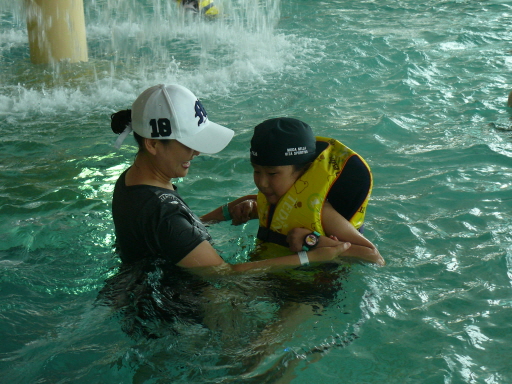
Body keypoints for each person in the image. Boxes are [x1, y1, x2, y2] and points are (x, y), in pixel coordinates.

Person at [109, 84, 352, 272]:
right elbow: (226, 274)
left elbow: (169, 236)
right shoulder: (163, 213)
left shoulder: (132, 181)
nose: (196, 151)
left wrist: (220, 215)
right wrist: (309, 257)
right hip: (175, 315)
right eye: (189, 144)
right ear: (152, 144)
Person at [229, 117, 385, 266]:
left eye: (272, 174)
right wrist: (251, 207)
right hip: (271, 275)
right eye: (256, 171)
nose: (262, 183)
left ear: (304, 170)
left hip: (309, 289)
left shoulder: (323, 212)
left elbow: (373, 256)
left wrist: (313, 241)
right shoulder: (271, 197)